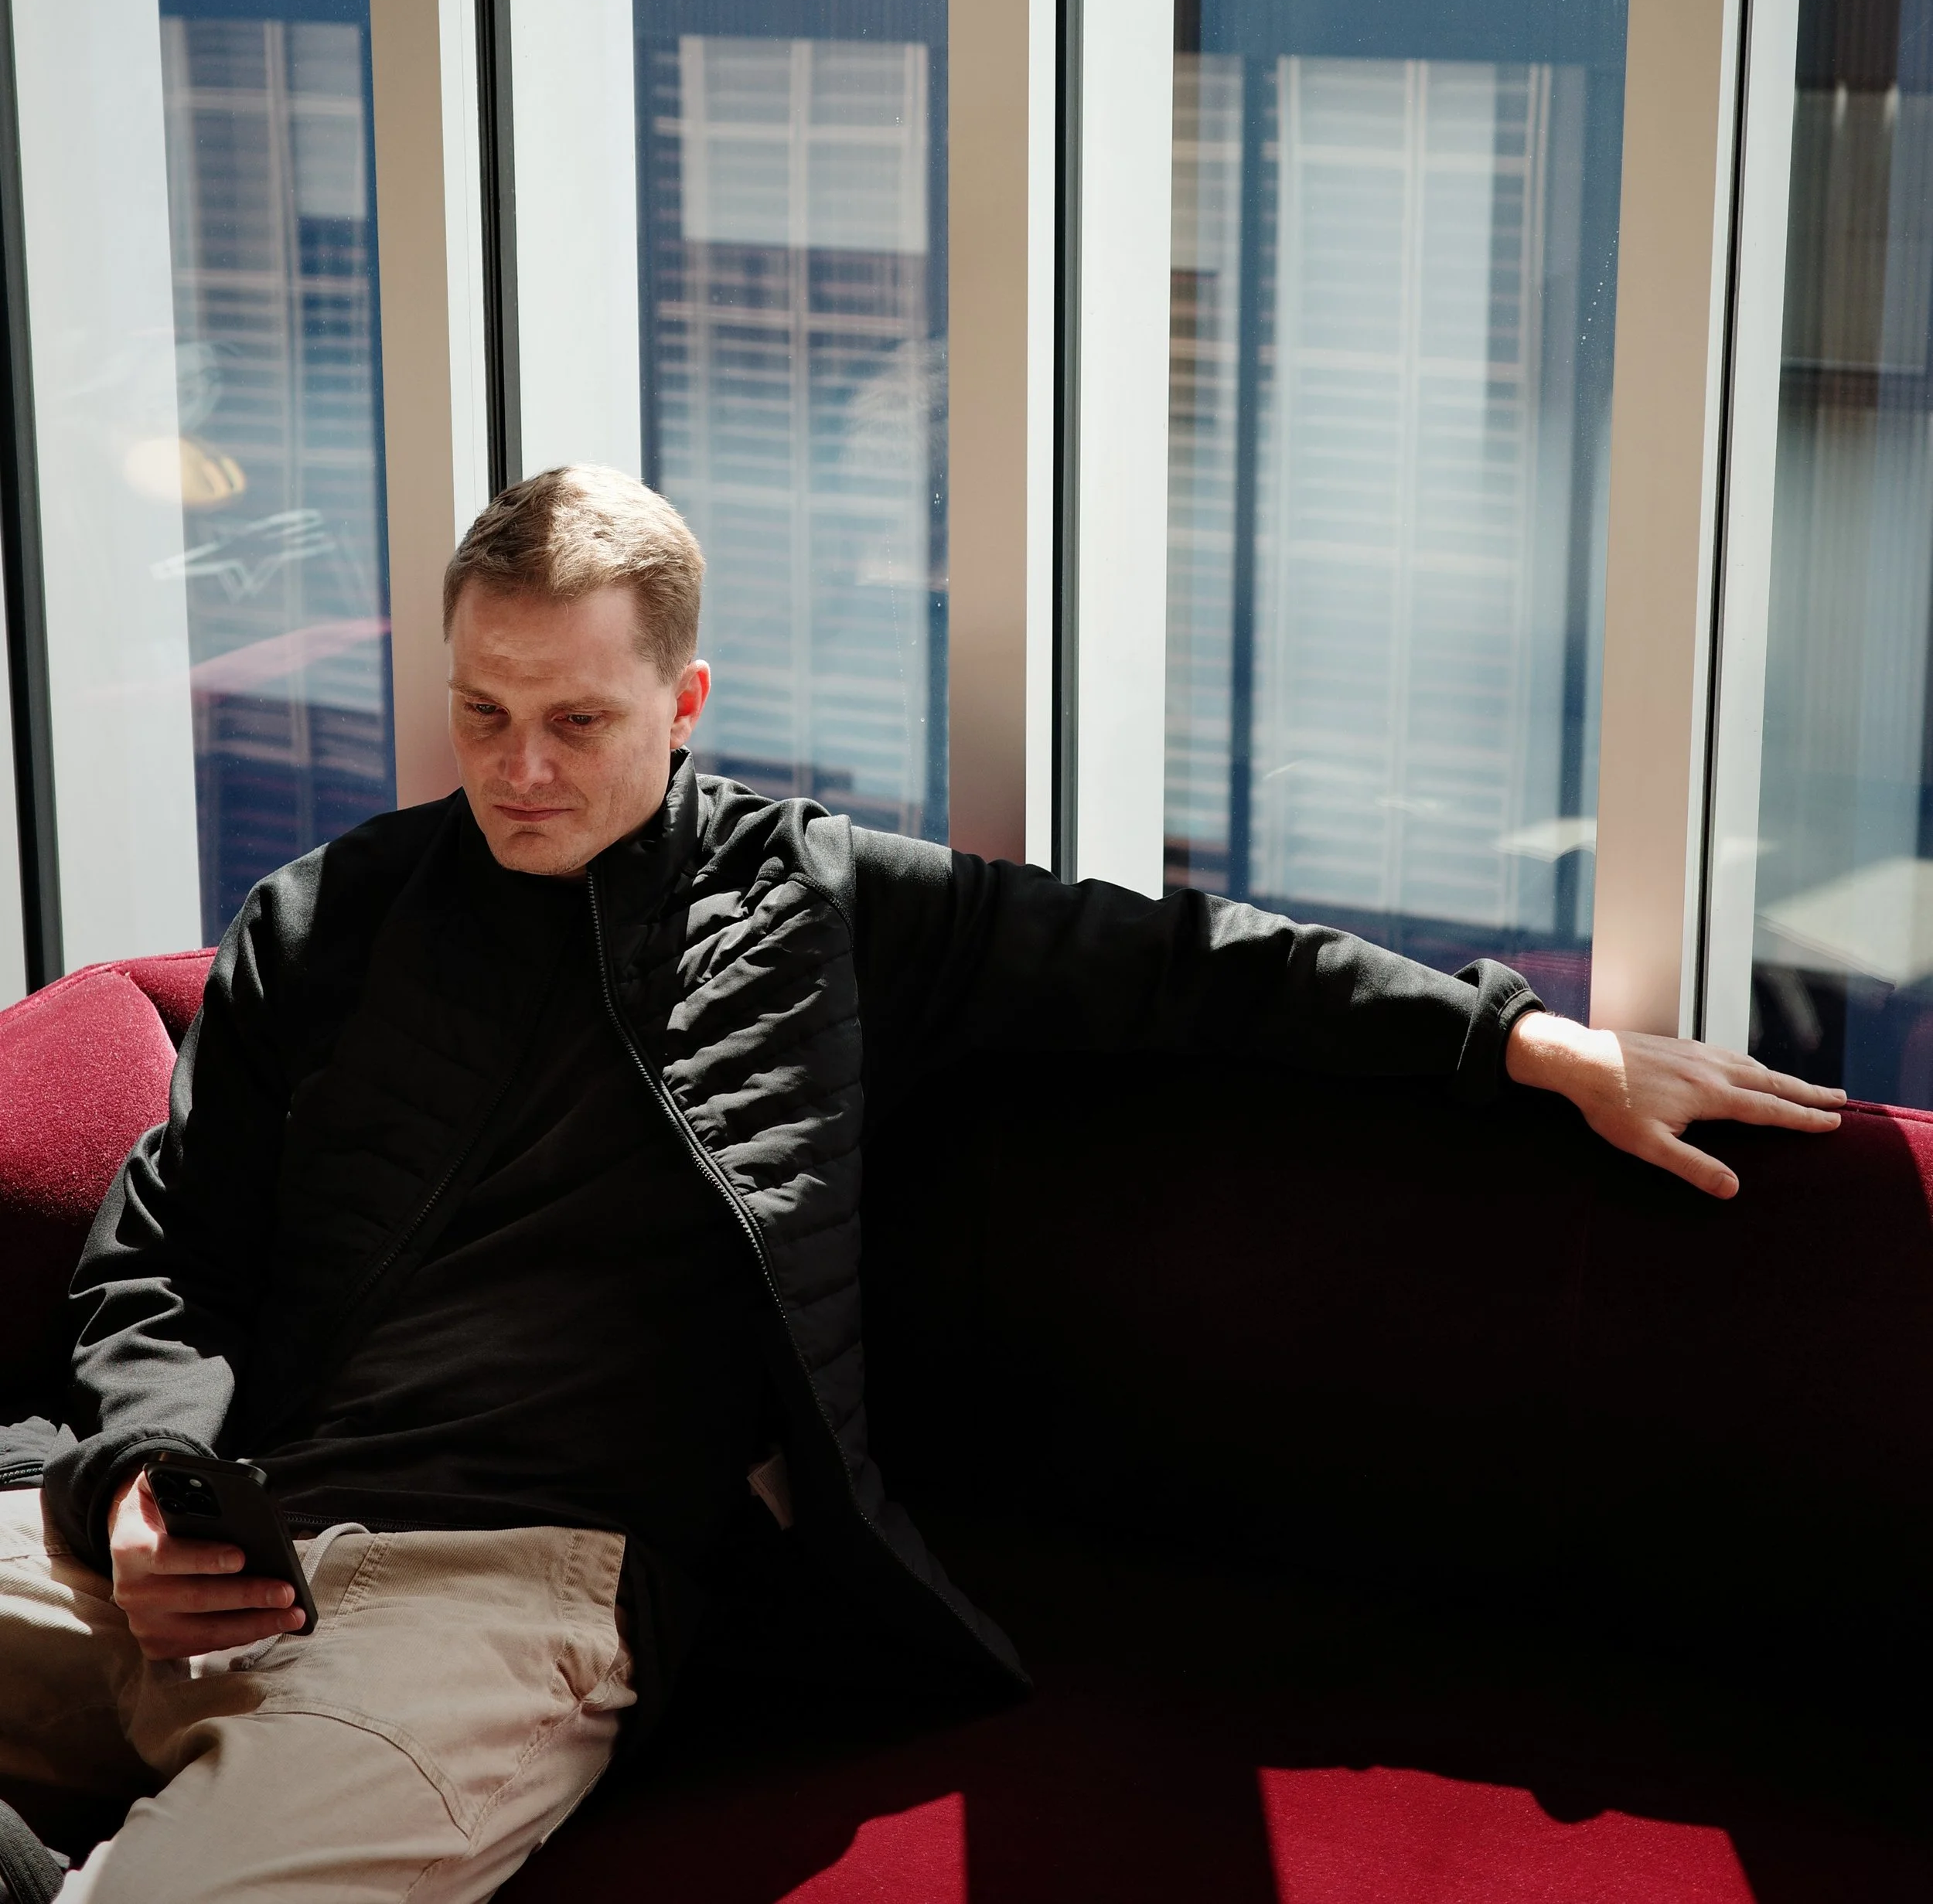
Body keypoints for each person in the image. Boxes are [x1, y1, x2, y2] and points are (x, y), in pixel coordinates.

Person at [0, 467, 1844, 1902]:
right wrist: (136, 1486)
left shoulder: (816, 909)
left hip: (503, 1603)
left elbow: (1184, 965)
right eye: (482, 713)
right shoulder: (326, 921)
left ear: (683, 700)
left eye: (576, 721)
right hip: (223, 1529)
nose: (520, 771)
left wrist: (1526, 1043)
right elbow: (161, 1253)